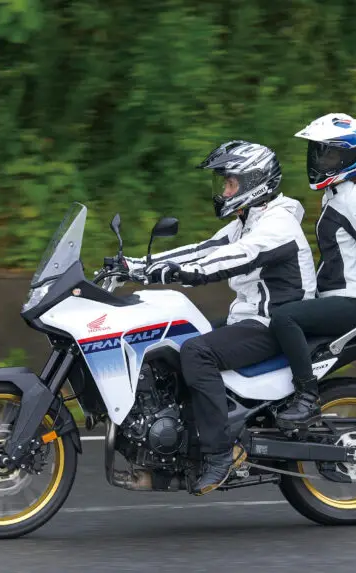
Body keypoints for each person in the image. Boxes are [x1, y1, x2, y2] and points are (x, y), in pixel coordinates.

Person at [125, 140, 317, 495]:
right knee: (173, 340)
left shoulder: (278, 224)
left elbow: (232, 258)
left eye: (230, 183)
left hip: (274, 323)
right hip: (247, 319)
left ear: (255, 181)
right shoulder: (247, 221)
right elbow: (203, 249)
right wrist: (136, 266)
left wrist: (179, 274)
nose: (224, 191)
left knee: (197, 352)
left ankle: (219, 453)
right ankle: (186, 444)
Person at [270, 113, 356, 430]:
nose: (321, 160)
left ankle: (307, 397)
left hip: (354, 302)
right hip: (335, 296)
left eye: (331, 153)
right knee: (276, 312)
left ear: (353, 156)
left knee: (285, 318)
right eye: (319, 152)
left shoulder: (353, 200)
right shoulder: (334, 196)